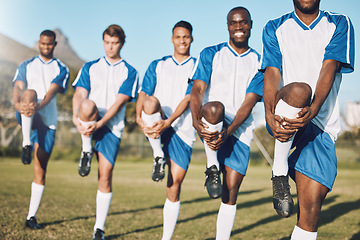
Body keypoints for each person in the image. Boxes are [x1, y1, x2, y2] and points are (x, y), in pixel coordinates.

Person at [261, 0, 354, 239]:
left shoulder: (339, 23)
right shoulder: (275, 27)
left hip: (320, 123)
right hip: (287, 113)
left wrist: (313, 110)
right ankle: (279, 171)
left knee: (310, 212)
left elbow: (329, 68)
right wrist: (268, 112)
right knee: (300, 90)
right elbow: (272, 72)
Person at [190, 7, 263, 239]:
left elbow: (249, 102)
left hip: (239, 130)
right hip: (213, 121)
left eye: (243, 23)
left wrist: (230, 131)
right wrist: (195, 120)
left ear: (250, 24)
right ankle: (212, 166)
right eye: (234, 23)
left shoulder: (260, 61)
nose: (238, 27)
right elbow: (198, 89)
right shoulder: (211, 53)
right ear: (228, 26)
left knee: (230, 192)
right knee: (214, 107)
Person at [72, 24, 138, 240]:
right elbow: (79, 95)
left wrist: (100, 124)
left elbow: (119, 103)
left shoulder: (130, 71)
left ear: (122, 43)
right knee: (89, 104)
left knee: (105, 175)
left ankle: (98, 228)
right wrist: (76, 118)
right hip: (88, 122)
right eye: (107, 42)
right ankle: (85, 151)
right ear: (103, 42)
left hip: (110, 127)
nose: (110, 47)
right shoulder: (90, 66)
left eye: (115, 43)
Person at [136, 20, 196, 240]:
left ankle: (166, 238)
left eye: (186, 36)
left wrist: (169, 121)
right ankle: (158, 155)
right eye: (178, 36)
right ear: (172, 39)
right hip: (157, 122)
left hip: (182, 128)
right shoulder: (158, 64)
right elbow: (143, 94)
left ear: (191, 38)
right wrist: (137, 118)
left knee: (174, 184)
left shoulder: (197, 66)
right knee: (150, 102)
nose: (182, 41)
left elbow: (189, 97)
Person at [12, 30, 70, 229]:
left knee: (40, 169)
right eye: (43, 44)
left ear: (55, 45)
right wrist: (17, 105)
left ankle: (31, 217)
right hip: (28, 114)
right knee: (29, 93)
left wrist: (38, 106)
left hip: (47, 120)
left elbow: (51, 93)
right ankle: (26, 142)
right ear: (39, 43)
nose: (46, 47)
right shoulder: (26, 65)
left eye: (50, 44)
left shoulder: (61, 68)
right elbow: (18, 87)